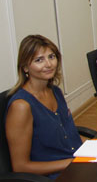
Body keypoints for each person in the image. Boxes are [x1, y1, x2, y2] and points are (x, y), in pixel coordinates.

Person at [5, 35, 82, 180]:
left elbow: (67, 136)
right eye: (39, 60)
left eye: (51, 57)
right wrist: (72, 162)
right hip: (54, 176)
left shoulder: (55, 91)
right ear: (25, 67)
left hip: (77, 164)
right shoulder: (21, 106)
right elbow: (20, 167)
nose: (48, 64)